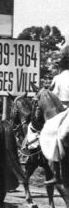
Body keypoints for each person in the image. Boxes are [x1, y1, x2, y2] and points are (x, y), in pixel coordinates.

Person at [44, 55, 69, 185]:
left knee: (53, 136)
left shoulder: (58, 78)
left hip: (64, 110)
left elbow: (51, 96)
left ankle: (57, 174)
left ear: (60, 66)